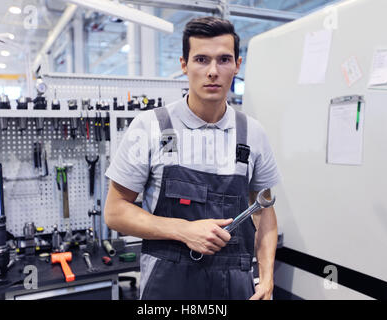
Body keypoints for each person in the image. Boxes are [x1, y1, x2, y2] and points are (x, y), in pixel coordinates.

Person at [104, 16, 280, 300]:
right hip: (168, 291)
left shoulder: (253, 134)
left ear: (237, 65)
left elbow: (264, 212)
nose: (213, 71)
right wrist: (184, 230)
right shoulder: (149, 127)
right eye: (201, 59)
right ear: (184, 65)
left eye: (224, 60)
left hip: (236, 289)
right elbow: (115, 211)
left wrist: (267, 278)